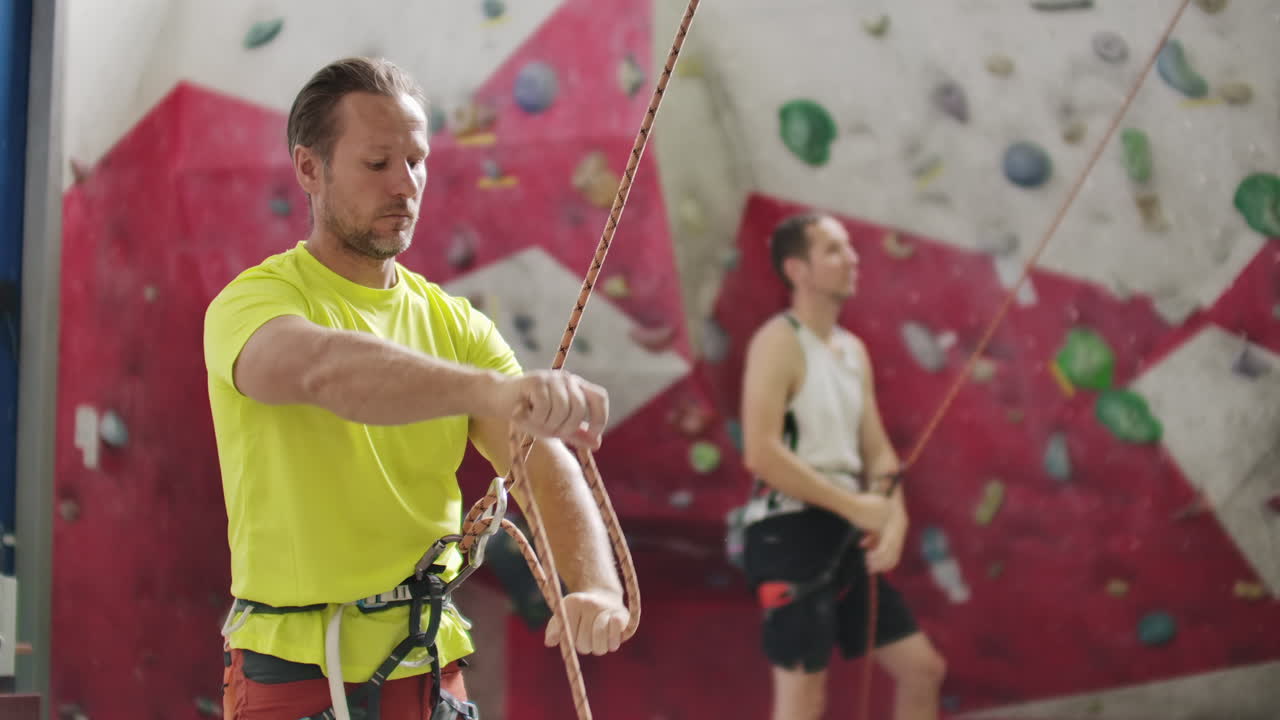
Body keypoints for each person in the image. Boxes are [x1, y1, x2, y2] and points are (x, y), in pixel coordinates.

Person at [204, 57, 630, 720]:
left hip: (428, 666)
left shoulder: (457, 326)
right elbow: (326, 369)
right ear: (309, 169)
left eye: (417, 160)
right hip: (296, 674)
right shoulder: (255, 303)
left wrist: (596, 586)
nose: (405, 185)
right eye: (377, 163)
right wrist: (489, 392)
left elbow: (538, 460)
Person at [737, 212, 946, 720]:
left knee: (922, 670)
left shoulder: (853, 351)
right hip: (786, 531)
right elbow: (761, 453)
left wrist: (893, 516)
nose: (852, 258)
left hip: (841, 526)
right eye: (833, 249)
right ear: (797, 270)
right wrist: (855, 506)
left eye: (849, 247)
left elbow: (876, 451)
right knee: (804, 698)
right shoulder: (779, 341)